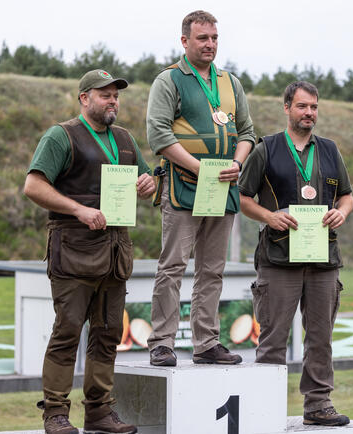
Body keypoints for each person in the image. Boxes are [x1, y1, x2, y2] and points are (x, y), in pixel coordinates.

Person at [24, 69, 155, 434]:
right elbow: (33, 186)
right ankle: (55, 412)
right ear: (84, 98)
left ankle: (98, 410)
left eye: (116, 95)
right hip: (74, 252)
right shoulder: (61, 136)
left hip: (114, 254)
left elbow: (149, 182)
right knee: (66, 333)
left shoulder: (126, 140)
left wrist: (149, 183)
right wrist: (78, 209)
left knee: (109, 334)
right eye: (104, 95)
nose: (112, 100)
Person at [238, 81, 353, 427]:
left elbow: (347, 195)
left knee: (320, 337)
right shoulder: (266, 149)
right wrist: (270, 217)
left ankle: (318, 404)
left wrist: (342, 213)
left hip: (323, 260)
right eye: (302, 107)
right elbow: (242, 198)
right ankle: (265, 406)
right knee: (273, 338)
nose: (309, 114)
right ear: (286, 107)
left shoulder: (331, 150)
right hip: (278, 259)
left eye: (314, 107)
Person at [145, 10, 256, 366]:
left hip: (222, 189)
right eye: (202, 38)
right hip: (182, 186)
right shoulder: (169, 80)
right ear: (184, 41)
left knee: (212, 269)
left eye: (214, 38)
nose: (210, 44)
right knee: (173, 266)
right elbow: (158, 136)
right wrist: (200, 169)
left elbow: (248, 132)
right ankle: (162, 342)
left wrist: (237, 164)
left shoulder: (231, 82)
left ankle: (206, 343)